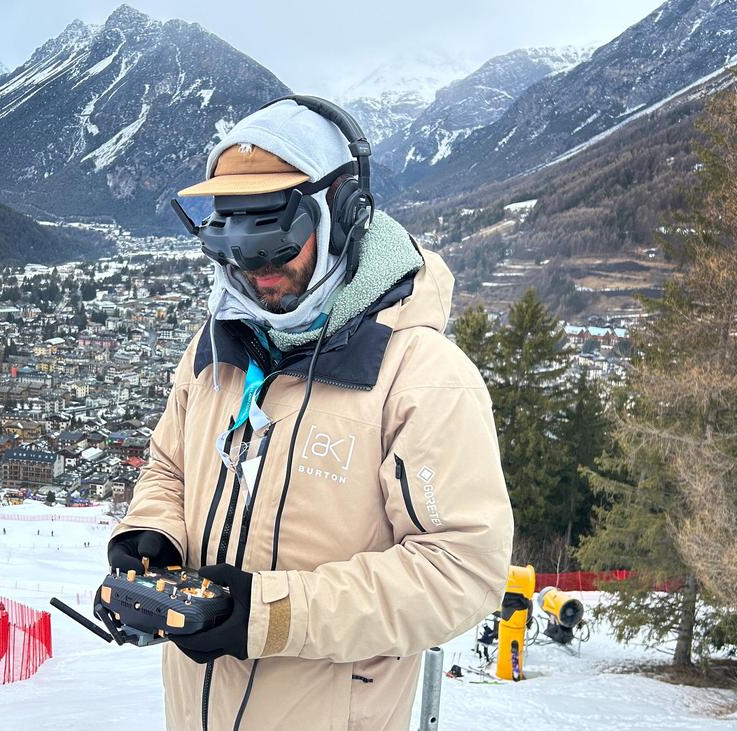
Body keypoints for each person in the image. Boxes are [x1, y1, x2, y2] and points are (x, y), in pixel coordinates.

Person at [108, 96, 513, 730]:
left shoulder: (422, 378)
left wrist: (267, 615)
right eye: (235, 253)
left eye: (276, 248)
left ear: (343, 218)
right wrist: (153, 536)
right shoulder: (215, 349)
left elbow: (462, 570)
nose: (256, 275)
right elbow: (170, 466)